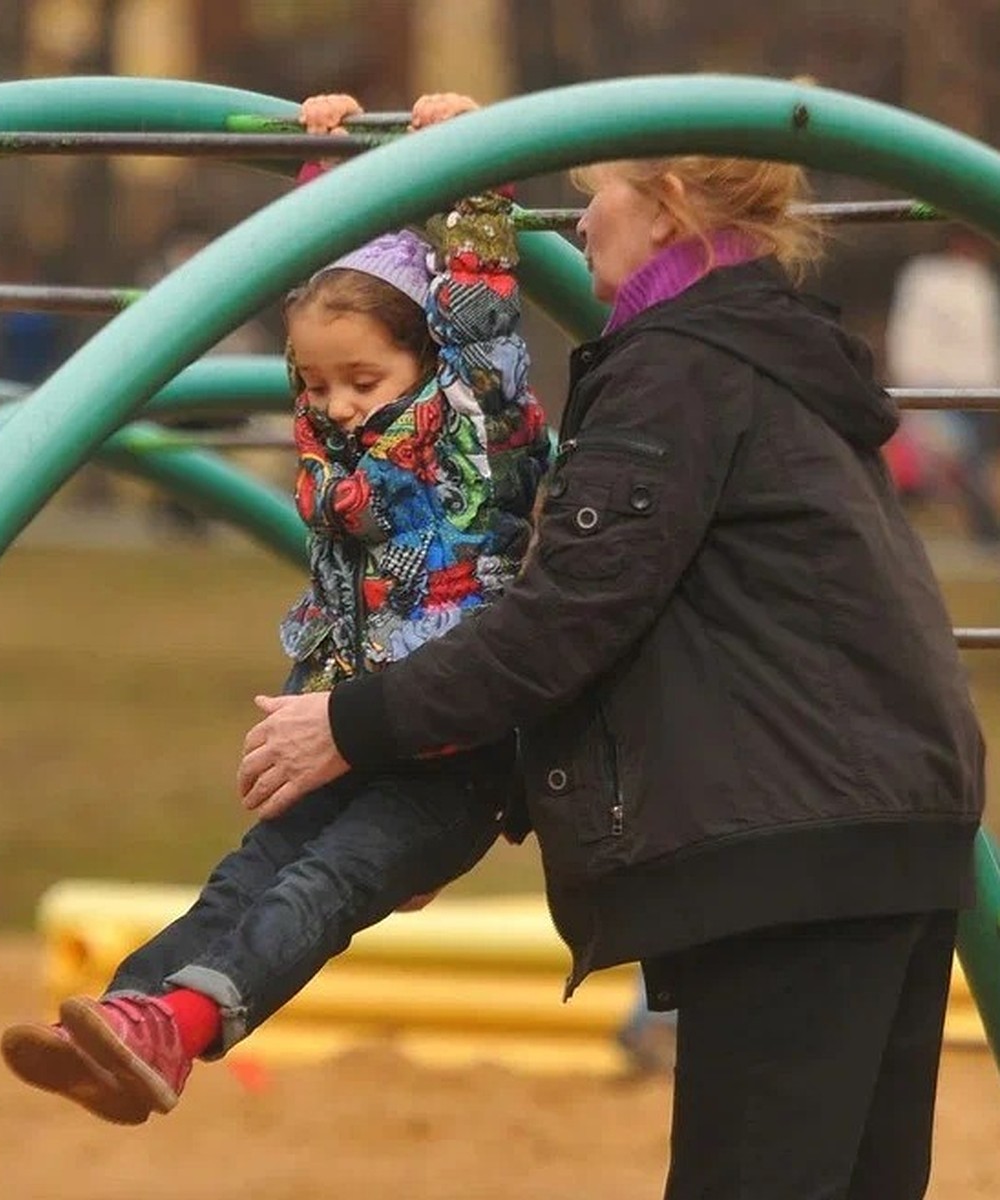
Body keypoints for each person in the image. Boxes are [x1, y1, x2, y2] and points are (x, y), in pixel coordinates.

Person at [238, 148, 986, 1199]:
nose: (582, 227)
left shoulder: (680, 367)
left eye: (599, 199)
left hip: (796, 847)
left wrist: (350, 726)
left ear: (668, 207)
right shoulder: (775, 356)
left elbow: (567, 620)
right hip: (892, 821)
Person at [0, 92, 549, 1126]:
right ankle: (126, 1023)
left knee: (312, 892)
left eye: (363, 380)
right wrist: (326, 173)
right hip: (353, 730)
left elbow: (480, 318)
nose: (338, 403)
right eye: (317, 385)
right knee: (239, 881)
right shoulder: (333, 440)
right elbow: (331, 281)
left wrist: (472, 169)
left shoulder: (473, 423)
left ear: (423, 363)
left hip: (454, 754)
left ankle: (186, 1027)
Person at [885, 227, 1000, 544]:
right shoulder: (926, 276)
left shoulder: (981, 280)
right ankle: (984, 529)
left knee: (967, 461)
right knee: (946, 458)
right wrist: (910, 376)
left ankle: (982, 529)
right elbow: (910, 329)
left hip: (978, 388)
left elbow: (986, 339)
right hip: (935, 384)